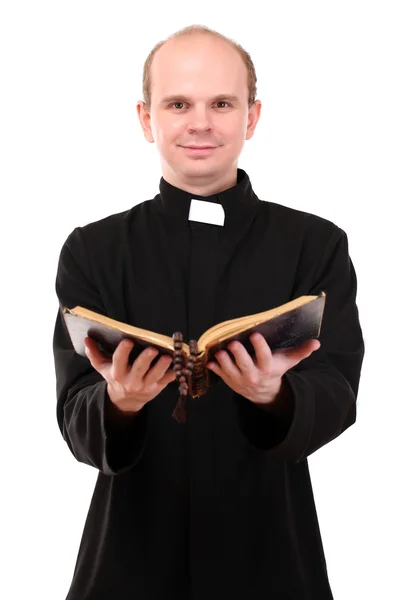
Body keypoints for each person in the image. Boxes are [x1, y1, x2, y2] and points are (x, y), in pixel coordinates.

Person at [53, 24, 364, 600]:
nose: (201, 122)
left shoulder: (315, 245)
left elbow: (339, 390)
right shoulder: (93, 251)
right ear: (147, 120)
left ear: (252, 117)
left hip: (272, 555)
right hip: (129, 557)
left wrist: (275, 395)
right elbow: (73, 414)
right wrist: (118, 403)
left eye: (222, 103)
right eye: (178, 104)